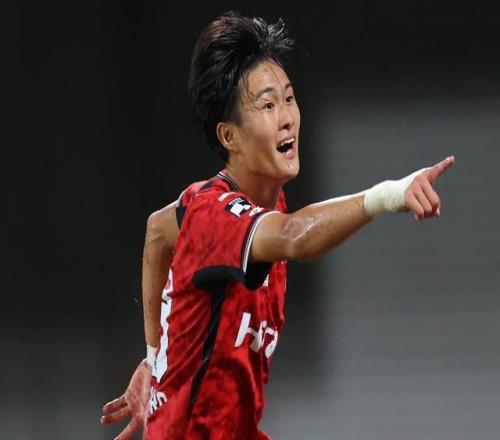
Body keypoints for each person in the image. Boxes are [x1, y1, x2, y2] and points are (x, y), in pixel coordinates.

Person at [100, 11, 455, 440]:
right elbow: (291, 236)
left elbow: (157, 231)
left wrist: (153, 357)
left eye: (289, 98)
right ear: (229, 136)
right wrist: (388, 195)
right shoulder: (215, 215)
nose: (286, 116)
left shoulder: (221, 206)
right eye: (268, 106)